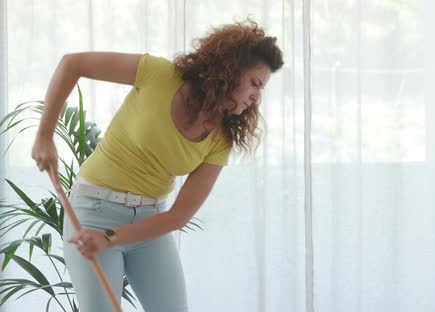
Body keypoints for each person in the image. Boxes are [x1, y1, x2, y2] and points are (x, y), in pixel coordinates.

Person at [31, 19, 284, 311]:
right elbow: (72, 64)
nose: (256, 97)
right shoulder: (159, 74)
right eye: (255, 83)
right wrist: (44, 136)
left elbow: (179, 215)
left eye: (261, 89)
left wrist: (111, 238)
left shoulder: (220, 138)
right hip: (93, 211)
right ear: (230, 68)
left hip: (149, 223)